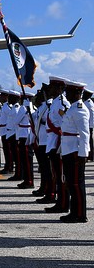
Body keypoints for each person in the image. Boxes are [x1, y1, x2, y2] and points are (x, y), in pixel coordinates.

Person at [59, 80, 90, 223]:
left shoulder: (80, 109)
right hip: (68, 149)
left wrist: (83, 154)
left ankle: (80, 214)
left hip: (75, 151)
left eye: (69, 92)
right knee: (71, 183)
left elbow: (84, 134)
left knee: (77, 184)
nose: (67, 94)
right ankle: (75, 212)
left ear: (77, 93)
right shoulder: (72, 108)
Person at [45, 76, 70, 211]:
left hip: (58, 142)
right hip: (52, 141)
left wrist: (60, 143)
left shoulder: (61, 103)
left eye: (53, 87)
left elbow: (64, 124)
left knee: (61, 176)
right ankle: (60, 202)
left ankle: (64, 204)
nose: (50, 89)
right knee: (56, 173)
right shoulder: (55, 102)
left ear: (60, 89)